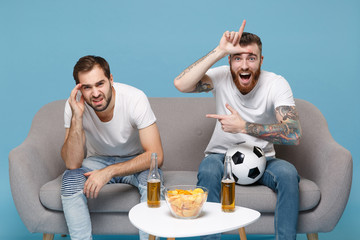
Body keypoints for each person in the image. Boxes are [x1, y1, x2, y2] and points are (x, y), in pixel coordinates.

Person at [174, 20, 302, 240]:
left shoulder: (276, 83)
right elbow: (181, 84)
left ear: (260, 61)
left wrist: (244, 127)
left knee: (289, 174)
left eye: (251, 58)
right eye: (237, 58)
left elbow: (293, 133)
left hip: (264, 160)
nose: (244, 65)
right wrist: (219, 50)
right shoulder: (221, 75)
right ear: (230, 61)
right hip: (221, 158)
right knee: (208, 169)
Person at [61, 55, 164, 240]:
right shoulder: (74, 106)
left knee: (152, 181)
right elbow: (72, 163)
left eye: (100, 84)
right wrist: (77, 118)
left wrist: (109, 172)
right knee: (70, 179)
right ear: (79, 88)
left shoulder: (135, 98)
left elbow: (156, 156)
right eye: (87, 87)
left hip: (134, 160)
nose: (95, 93)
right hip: (96, 161)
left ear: (111, 80)